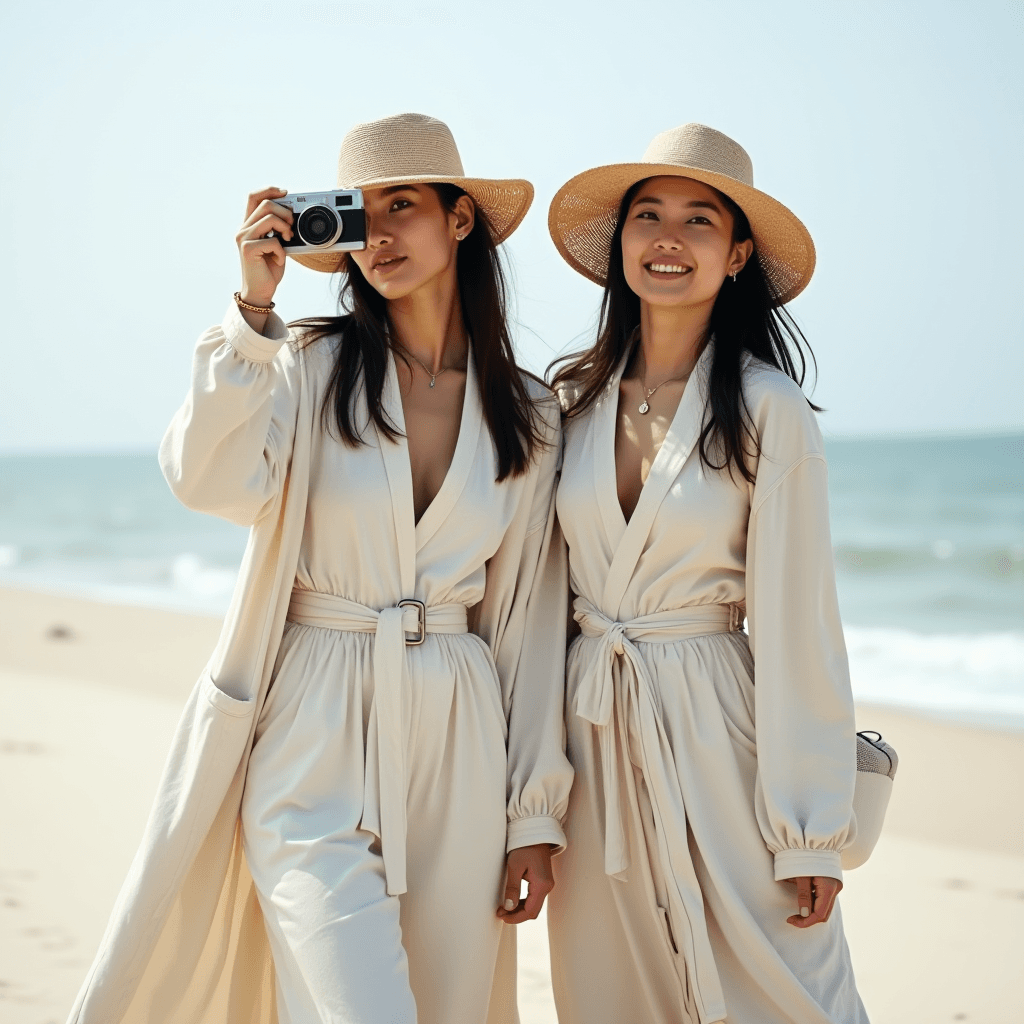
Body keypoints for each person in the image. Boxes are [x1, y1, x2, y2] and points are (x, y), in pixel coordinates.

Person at [67, 112, 572, 1024]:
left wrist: (532, 812)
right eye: (359, 210)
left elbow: (529, 621)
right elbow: (204, 480)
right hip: (315, 717)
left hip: (460, 728)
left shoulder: (530, 414)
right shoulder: (302, 365)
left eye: (404, 206)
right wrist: (252, 314)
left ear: (460, 221)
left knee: (450, 1008)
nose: (378, 234)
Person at [545, 123, 867, 1023]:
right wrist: (528, 799)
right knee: (613, 990)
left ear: (737, 255)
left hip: (721, 728)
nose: (667, 240)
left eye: (697, 220)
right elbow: (535, 611)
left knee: (784, 988)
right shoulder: (566, 404)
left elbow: (801, 623)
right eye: (647, 217)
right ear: (620, 249)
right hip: (593, 731)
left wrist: (809, 830)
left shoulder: (770, 409)